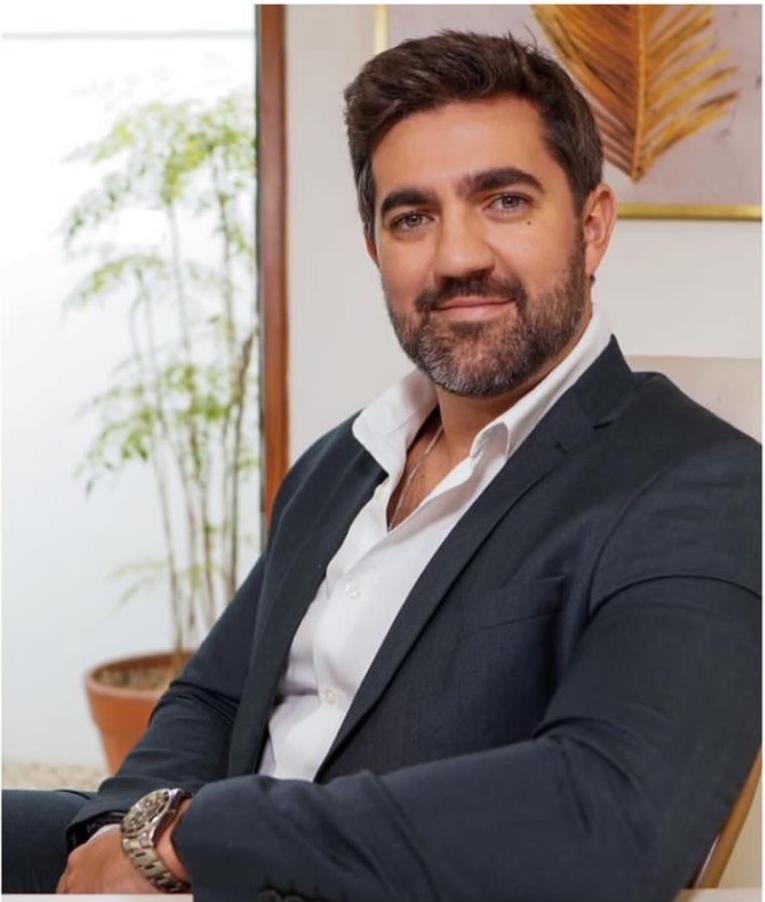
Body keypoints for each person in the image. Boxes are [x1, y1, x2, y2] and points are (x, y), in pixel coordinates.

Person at [4, 30, 760, 902]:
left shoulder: (702, 484)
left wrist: (196, 839)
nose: (457, 257)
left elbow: (611, 812)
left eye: (504, 201)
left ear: (591, 229)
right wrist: (125, 832)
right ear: (375, 250)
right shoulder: (343, 461)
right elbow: (213, 699)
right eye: (412, 218)